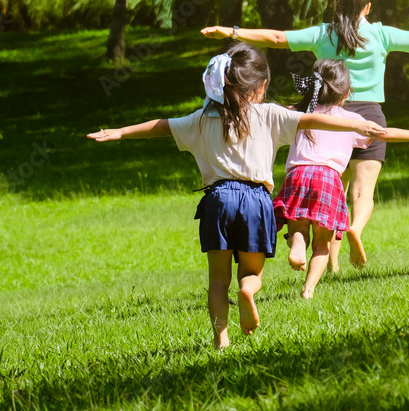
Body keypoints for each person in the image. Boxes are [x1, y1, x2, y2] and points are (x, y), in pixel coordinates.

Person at [87, 43, 384, 350]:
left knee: (217, 280)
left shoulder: (203, 118)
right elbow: (313, 120)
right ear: (262, 86)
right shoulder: (269, 114)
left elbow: (162, 126)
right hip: (256, 201)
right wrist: (356, 123)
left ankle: (221, 339)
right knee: (252, 273)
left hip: (217, 201)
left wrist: (121, 131)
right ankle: (248, 292)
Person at [201, 0, 409, 270]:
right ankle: (355, 228)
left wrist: (231, 31)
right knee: (362, 192)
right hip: (369, 116)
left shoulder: (323, 34)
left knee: (335, 190)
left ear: (336, 5)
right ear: (368, 7)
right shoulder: (381, 34)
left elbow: (277, 38)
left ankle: (332, 264)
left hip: (327, 117)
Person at [275, 58, 409, 299]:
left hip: (297, 175)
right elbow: (385, 134)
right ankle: (308, 290)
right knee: (322, 243)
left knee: (299, 226)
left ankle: (297, 243)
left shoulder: (300, 113)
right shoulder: (352, 120)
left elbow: (265, 115)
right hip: (327, 179)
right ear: (347, 93)